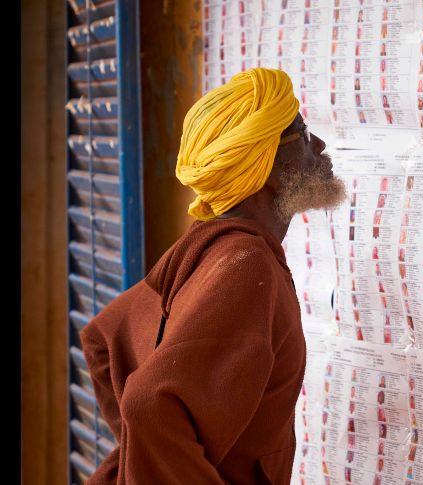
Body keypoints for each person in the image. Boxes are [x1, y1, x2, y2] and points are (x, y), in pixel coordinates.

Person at [78, 69, 347, 483]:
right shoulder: (246, 264)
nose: (320, 146)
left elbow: (104, 339)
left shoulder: (208, 245)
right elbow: (148, 405)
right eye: (304, 134)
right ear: (268, 165)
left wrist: (143, 457)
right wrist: (153, 458)